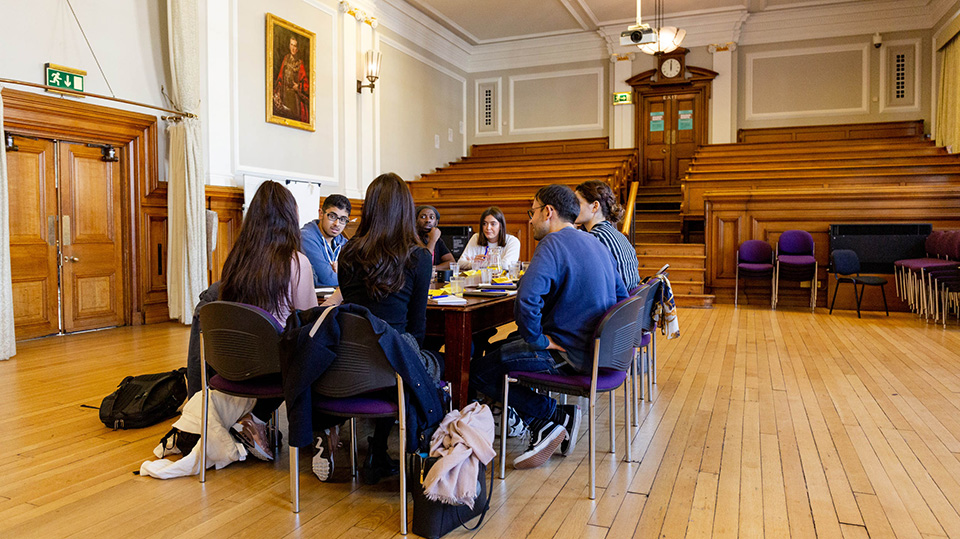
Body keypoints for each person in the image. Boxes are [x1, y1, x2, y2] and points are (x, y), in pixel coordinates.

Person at [470, 184, 627, 470]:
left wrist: (538, 340)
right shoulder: (596, 243)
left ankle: (551, 416)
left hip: (566, 356)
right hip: (597, 354)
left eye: (532, 212)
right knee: (497, 351)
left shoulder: (552, 244)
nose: (530, 219)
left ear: (549, 212)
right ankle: (550, 419)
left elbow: (526, 301)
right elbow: (623, 299)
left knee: (476, 371)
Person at [312, 173, 443, 484]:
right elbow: (417, 325)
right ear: (404, 210)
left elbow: (348, 306)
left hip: (346, 360)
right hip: (392, 361)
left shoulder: (348, 252)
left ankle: (366, 441)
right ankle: (394, 448)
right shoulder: (419, 256)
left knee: (387, 351)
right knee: (427, 358)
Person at [218, 181, 319, 460]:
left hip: (231, 358)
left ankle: (257, 421)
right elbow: (308, 317)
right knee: (315, 349)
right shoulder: (296, 261)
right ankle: (317, 435)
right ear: (290, 218)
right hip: (273, 365)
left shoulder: (235, 259)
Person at [575, 180, 642, 291]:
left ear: (595, 206)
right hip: (628, 305)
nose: (573, 209)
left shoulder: (594, 238)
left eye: (578, 203)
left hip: (613, 305)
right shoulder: (617, 234)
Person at [300, 194, 351, 287]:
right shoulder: (306, 237)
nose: (337, 224)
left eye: (343, 219)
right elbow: (328, 279)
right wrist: (343, 274)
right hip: (315, 299)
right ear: (321, 214)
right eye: (332, 216)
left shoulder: (342, 242)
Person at [457, 206, 521, 270]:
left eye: (493, 224)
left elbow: (506, 265)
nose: (488, 228)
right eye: (484, 224)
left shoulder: (512, 241)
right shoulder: (476, 237)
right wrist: (473, 263)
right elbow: (460, 263)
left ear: (501, 226)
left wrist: (478, 264)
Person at [273, 35, 309, 123]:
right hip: (285, 96)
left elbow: (306, 86)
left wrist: (298, 87)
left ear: (297, 48)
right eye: (292, 45)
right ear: (289, 46)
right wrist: (277, 92)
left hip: (295, 98)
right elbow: (280, 78)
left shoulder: (300, 63)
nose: (293, 48)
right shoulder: (285, 59)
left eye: (295, 46)